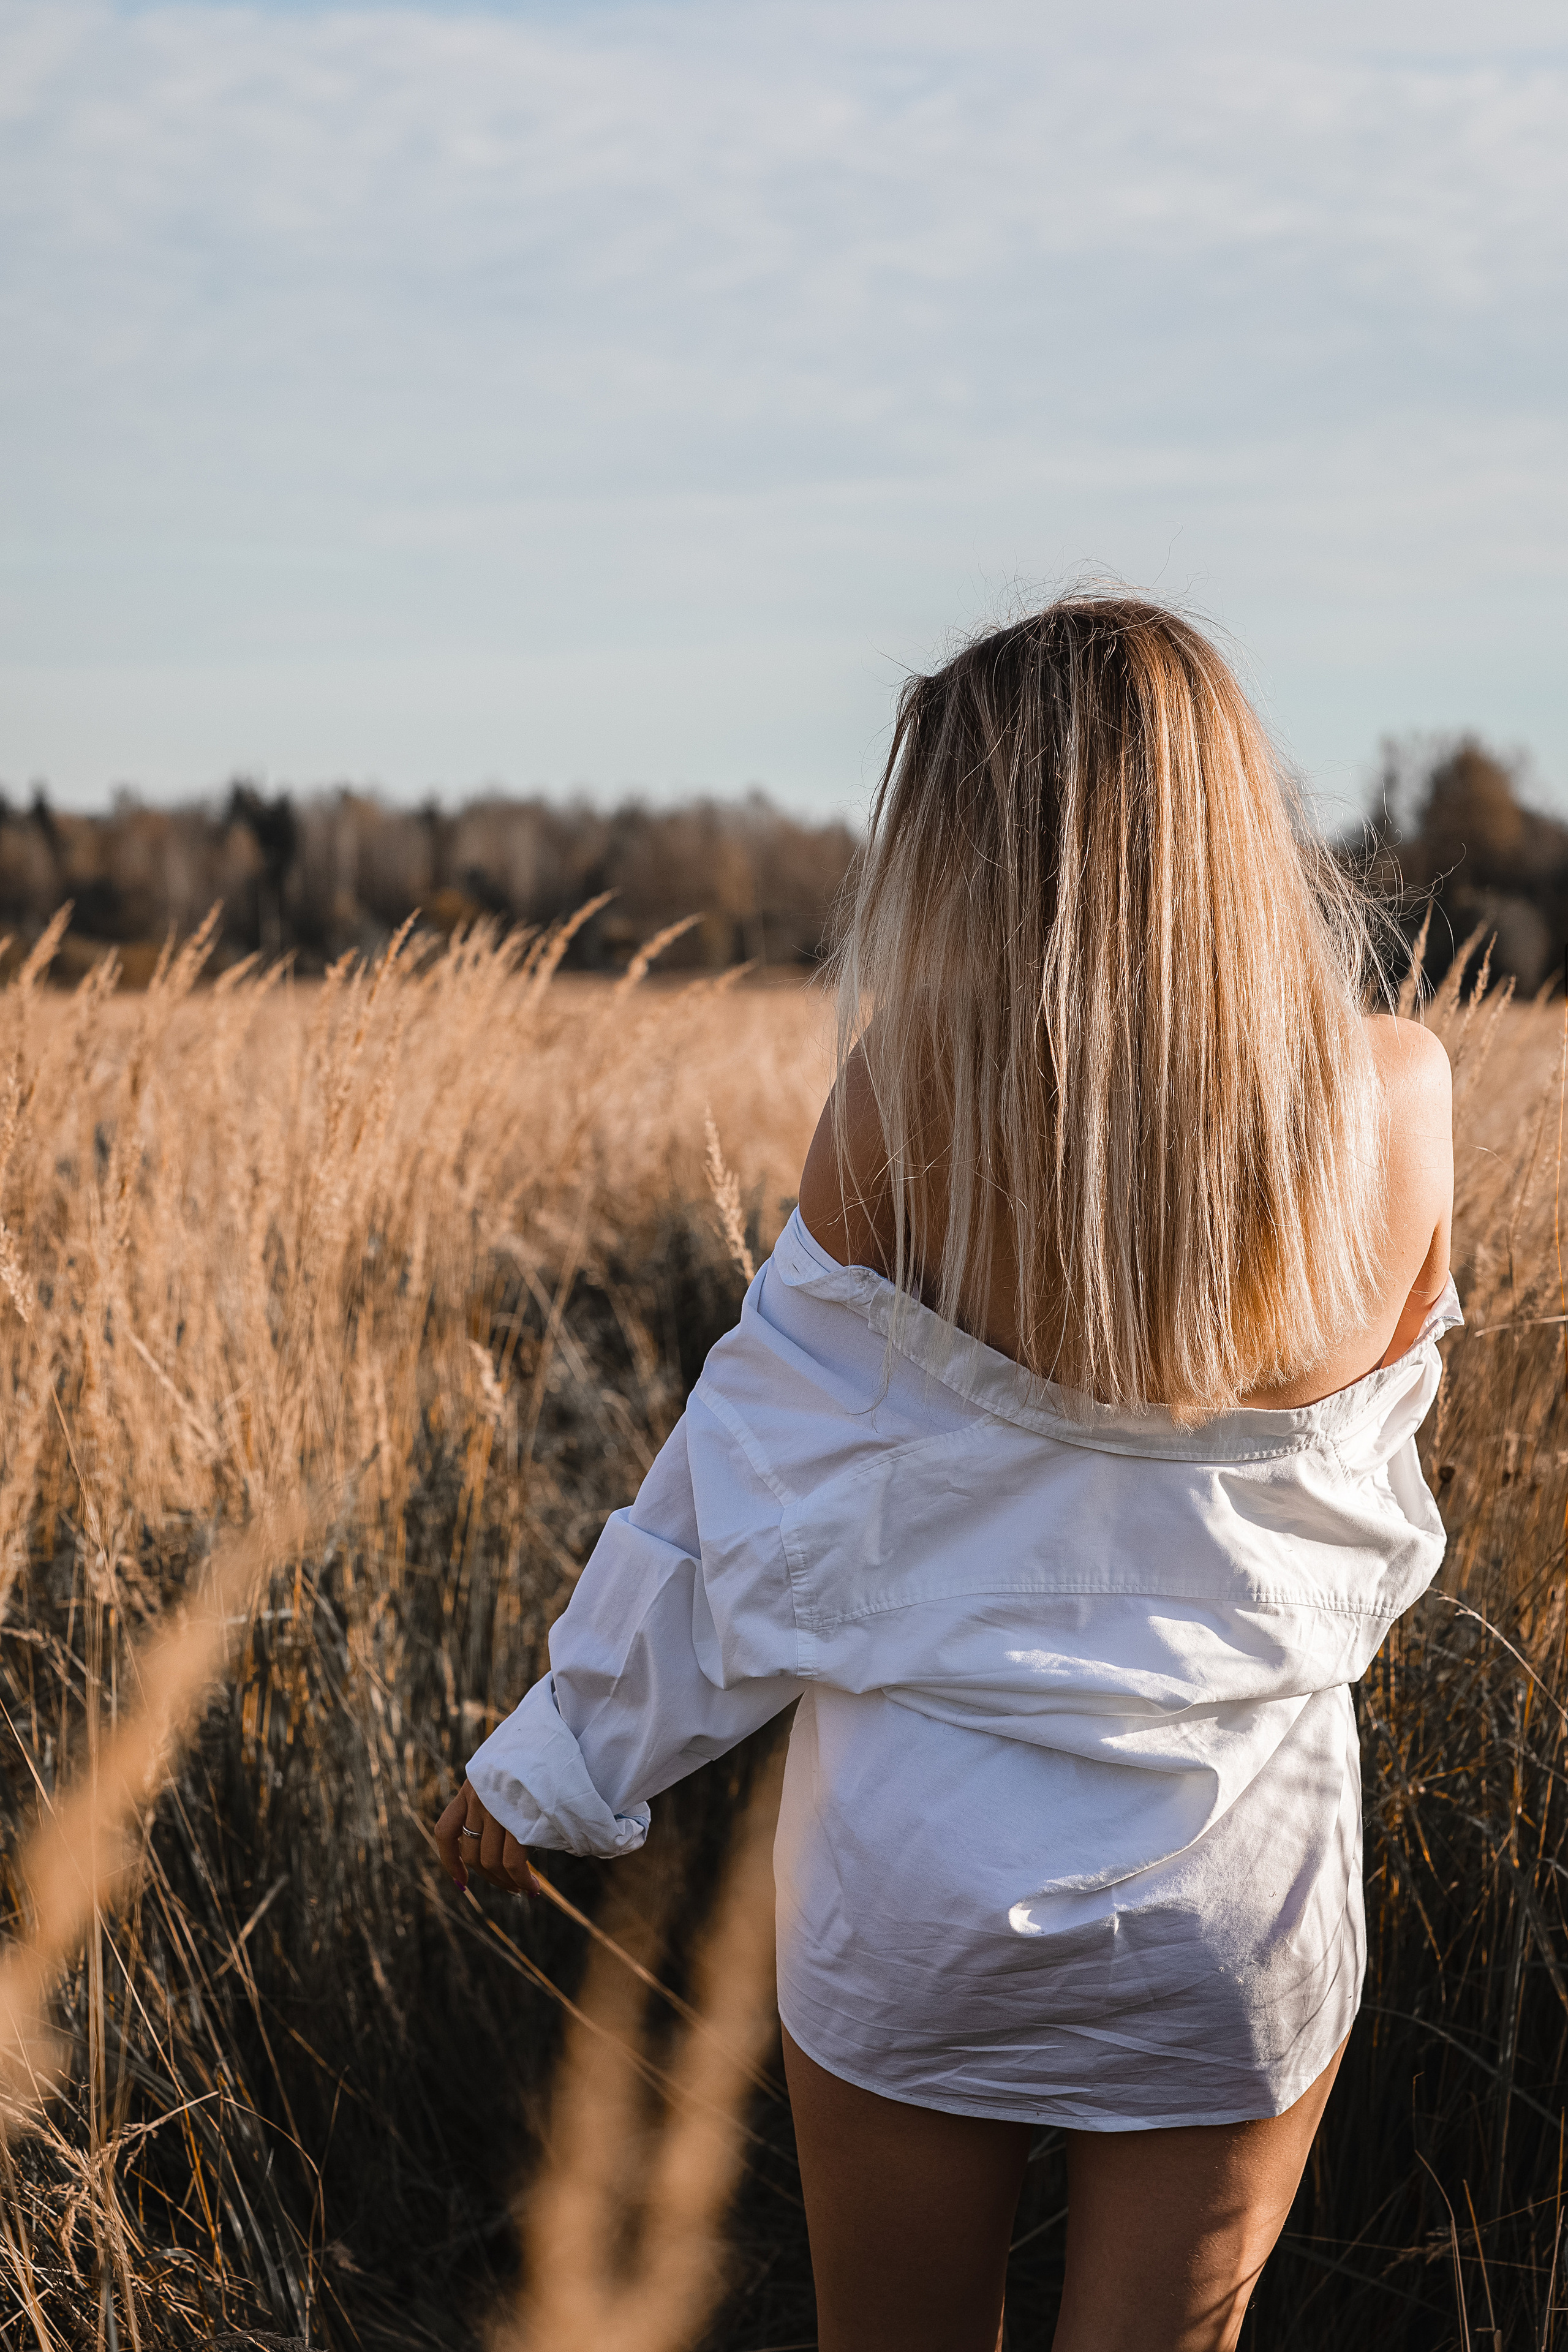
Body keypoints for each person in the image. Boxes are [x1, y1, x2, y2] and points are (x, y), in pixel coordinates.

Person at [436, 597, 1455, 2352]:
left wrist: (565, 1751)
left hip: (924, 1869)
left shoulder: (919, 1095)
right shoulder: (1400, 1095)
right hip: (1242, 1872)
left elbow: (749, 1476)